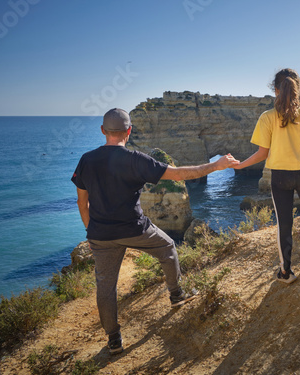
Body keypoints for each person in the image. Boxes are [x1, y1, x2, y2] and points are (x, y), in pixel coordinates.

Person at [71, 108, 239, 354]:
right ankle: (176, 294)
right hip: (135, 229)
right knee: (168, 247)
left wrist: (92, 231)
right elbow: (180, 174)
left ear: (103, 131)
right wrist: (216, 165)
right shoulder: (136, 159)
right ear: (128, 131)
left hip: (100, 235)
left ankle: (114, 339)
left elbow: (81, 202)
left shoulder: (86, 160)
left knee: (105, 287)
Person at [234, 68, 300, 284]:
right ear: (297, 90)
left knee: (285, 222)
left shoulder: (267, 117)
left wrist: (240, 165)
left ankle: (286, 272)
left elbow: (262, 153)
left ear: (276, 90)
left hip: (280, 177)